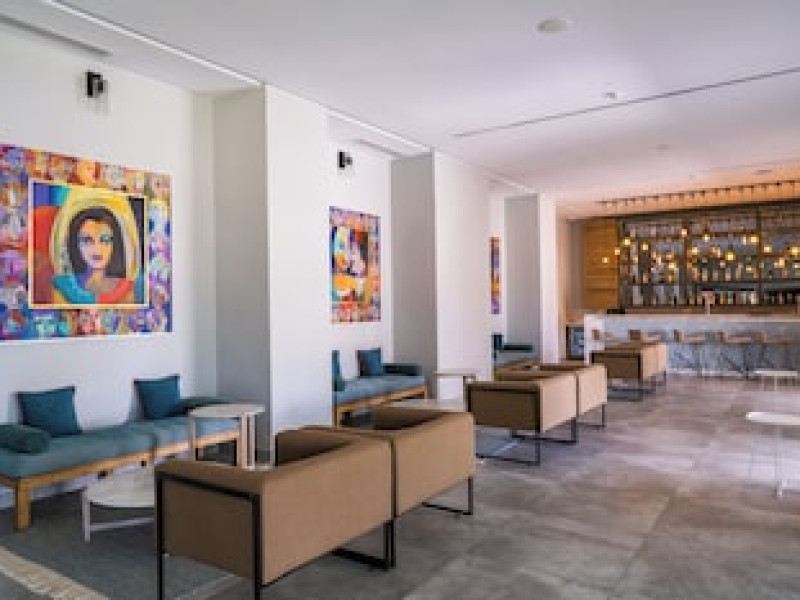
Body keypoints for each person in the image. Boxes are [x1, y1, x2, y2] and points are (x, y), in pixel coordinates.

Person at [52, 207, 134, 304]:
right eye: (87, 240)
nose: (97, 249)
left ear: (116, 243)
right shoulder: (63, 287)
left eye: (105, 240)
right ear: (75, 244)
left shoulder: (125, 288)